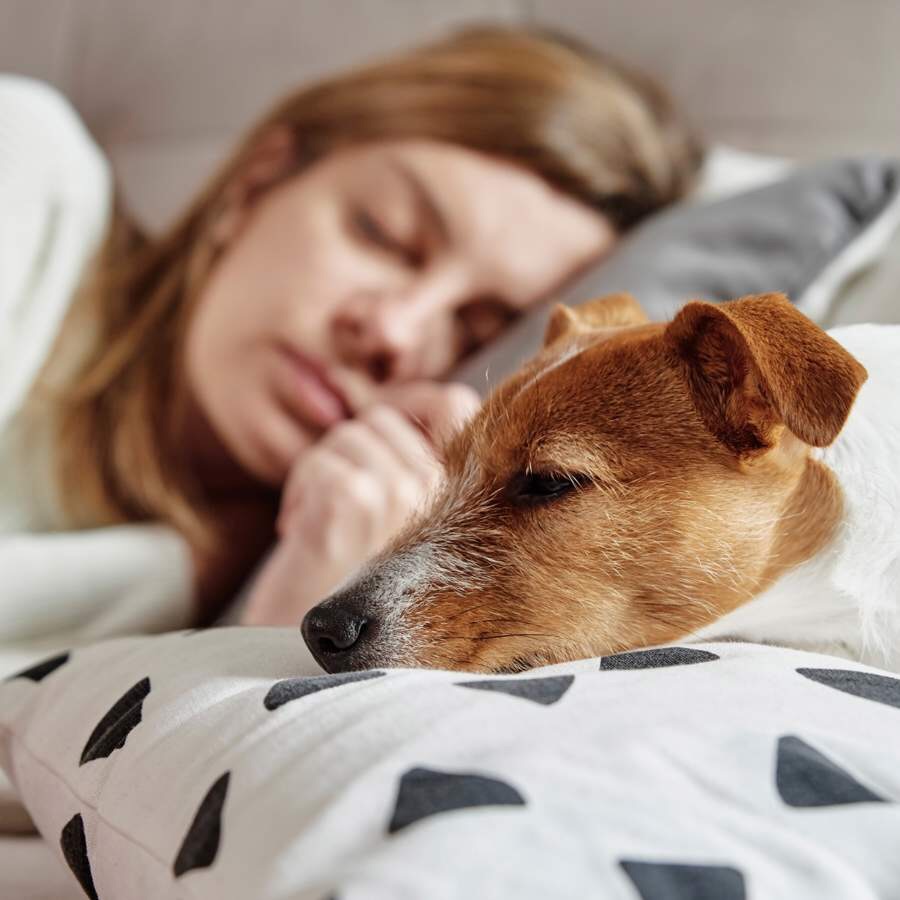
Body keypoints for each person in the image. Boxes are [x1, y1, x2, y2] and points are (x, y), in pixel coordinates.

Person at [0, 26, 703, 658]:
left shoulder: (245, 574)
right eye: (384, 233)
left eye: (479, 328)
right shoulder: (28, 170)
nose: (394, 332)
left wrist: (291, 620)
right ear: (257, 183)